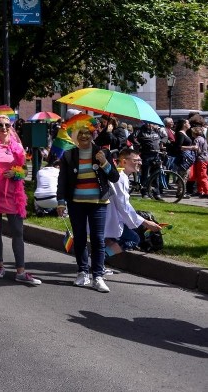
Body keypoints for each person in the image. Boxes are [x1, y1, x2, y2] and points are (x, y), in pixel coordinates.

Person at [56, 119, 119, 293]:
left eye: (87, 133)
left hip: (98, 203)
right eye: (80, 133)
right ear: (75, 137)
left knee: (98, 239)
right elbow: (62, 181)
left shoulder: (102, 152)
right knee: (80, 238)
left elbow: (114, 177)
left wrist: (105, 164)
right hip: (76, 203)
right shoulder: (69, 155)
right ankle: (83, 271)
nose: (84, 136)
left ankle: (98, 275)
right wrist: (61, 202)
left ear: (93, 135)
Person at [0, 113, 41, 285]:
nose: (4, 128)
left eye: (7, 125)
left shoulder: (17, 147)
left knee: (17, 231)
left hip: (13, 194)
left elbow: (25, 171)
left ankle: (20, 271)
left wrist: (16, 173)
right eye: (0, 125)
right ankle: (0, 266)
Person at [105, 148, 162, 252]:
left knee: (111, 239)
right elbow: (123, 205)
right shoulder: (120, 178)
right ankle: (98, 260)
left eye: (140, 160)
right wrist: (146, 223)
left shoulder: (121, 176)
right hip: (110, 218)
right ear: (124, 161)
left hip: (111, 216)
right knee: (133, 239)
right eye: (136, 160)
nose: (139, 163)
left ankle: (97, 260)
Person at [192, 121, 208, 198]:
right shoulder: (203, 139)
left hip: (201, 159)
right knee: (200, 176)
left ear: (194, 133)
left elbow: (197, 149)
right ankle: (200, 191)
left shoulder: (197, 140)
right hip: (206, 158)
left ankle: (206, 192)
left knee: (202, 176)